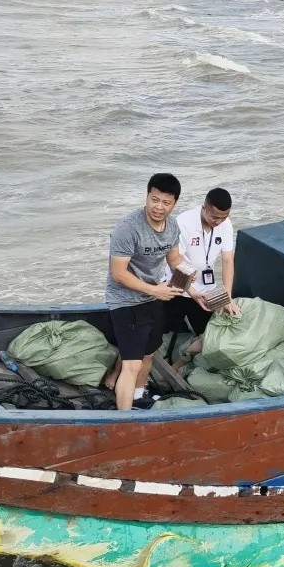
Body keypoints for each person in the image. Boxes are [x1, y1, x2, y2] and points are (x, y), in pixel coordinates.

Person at [103, 173, 205, 410]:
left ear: (174, 204)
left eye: (165, 202)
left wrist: (193, 288)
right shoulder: (128, 228)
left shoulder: (172, 227)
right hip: (125, 301)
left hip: (153, 296)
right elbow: (118, 273)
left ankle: (138, 396)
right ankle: (124, 422)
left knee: (148, 354)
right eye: (154, 200)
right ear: (147, 197)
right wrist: (154, 290)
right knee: (132, 365)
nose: (159, 207)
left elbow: (174, 259)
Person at [161, 187, 240, 360]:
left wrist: (227, 297)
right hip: (177, 284)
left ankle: (180, 366)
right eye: (214, 217)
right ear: (204, 208)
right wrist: (191, 292)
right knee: (159, 331)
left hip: (205, 287)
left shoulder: (225, 225)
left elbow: (227, 260)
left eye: (224, 217)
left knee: (210, 332)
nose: (218, 222)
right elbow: (175, 261)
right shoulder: (184, 222)